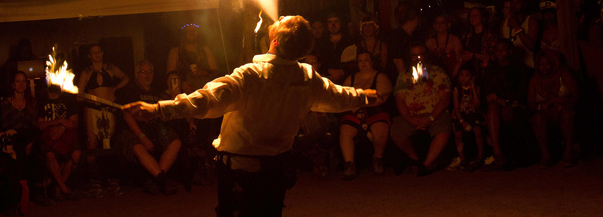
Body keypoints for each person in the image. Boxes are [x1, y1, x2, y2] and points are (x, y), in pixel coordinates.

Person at [124, 15, 376, 217]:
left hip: (240, 174)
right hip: (277, 170)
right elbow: (338, 97)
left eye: (283, 21)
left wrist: (158, 109)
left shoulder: (251, 76)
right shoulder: (307, 77)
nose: (278, 17)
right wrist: (364, 96)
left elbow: (206, 100)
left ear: (275, 40)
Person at [120, 61, 183, 195]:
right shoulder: (130, 91)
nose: (147, 75)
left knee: (175, 142)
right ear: (137, 74)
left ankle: (157, 179)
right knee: (137, 147)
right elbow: (127, 117)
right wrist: (142, 137)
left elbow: (164, 116)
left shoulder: (156, 92)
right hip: (136, 130)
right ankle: (163, 181)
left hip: (155, 128)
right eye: (143, 72)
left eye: (150, 72)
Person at [390, 42, 452, 176]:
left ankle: (427, 164)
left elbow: (445, 98)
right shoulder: (404, 75)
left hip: (435, 113)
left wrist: (430, 118)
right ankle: (415, 159)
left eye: (420, 55)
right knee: (396, 132)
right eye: (414, 56)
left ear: (426, 55)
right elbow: (399, 100)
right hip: (411, 114)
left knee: (443, 130)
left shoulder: (437, 72)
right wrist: (410, 119)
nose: (418, 58)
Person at [76, 44, 129, 197]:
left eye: (99, 51)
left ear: (103, 53)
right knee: (92, 143)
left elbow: (126, 78)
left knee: (109, 142)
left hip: (109, 109)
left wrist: (115, 89)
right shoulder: (86, 72)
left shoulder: (111, 68)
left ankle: (111, 179)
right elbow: (79, 95)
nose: (97, 54)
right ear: (89, 56)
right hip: (92, 110)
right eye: (94, 52)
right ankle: (94, 180)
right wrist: (85, 96)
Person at [339, 51, 392, 179]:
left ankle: (378, 158)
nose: (363, 63)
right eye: (360, 61)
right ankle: (349, 165)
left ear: (372, 62)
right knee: (346, 130)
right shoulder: (350, 79)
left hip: (375, 110)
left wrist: (363, 105)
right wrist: (356, 109)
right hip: (354, 110)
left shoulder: (380, 77)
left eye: (366, 60)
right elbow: (342, 98)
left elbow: (381, 98)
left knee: (379, 129)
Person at [482, 38, 530, 170]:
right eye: (498, 50)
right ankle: (497, 152)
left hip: (514, 104)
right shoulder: (490, 69)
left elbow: (522, 91)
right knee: (493, 108)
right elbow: (487, 91)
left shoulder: (518, 68)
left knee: (508, 112)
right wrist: (496, 99)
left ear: (510, 51)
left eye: (504, 50)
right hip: (496, 105)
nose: (500, 53)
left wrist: (508, 101)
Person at [0, 71, 40, 215]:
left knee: (31, 148)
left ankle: (25, 195)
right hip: (13, 137)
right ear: (13, 84)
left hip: (28, 136)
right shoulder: (5, 103)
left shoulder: (32, 102)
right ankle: (18, 197)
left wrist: (31, 142)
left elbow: (33, 125)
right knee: (15, 150)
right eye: (18, 81)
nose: (21, 84)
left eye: (23, 81)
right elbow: (5, 124)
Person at [528, 51, 578, 167]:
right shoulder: (535, 80)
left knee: (567, 115)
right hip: (546, 113)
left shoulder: (564, 75)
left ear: (553, 64)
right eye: (540, 64)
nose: (543, 67)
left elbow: (576, 95)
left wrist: (554, 101)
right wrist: (542, 107)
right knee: (538, 119)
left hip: (564, 108)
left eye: (547, 64)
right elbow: (531, 103)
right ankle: (545, 155)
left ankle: (568, 152)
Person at [37, 84, 81, 201]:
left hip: (66, 135)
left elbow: (74, 123)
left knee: (76, 154)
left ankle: (57, 186)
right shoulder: (41, 100)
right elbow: (40, 125)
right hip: (48, 136)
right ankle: (64, 189)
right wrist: (53, 123)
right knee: (50, 155)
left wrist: (62, 127)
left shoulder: (68, 99)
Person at [446, 65, 485, 172]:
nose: (464, 78)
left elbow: (477, 105)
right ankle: (462, 159)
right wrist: (462, 121)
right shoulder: (456, 90)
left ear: (472, 77)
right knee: (458, 134)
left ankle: (480, 157)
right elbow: (456, 108)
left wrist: (473, 89)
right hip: (460, 115)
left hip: (472, 114)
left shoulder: (476, 88)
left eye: (467, 76)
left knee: (478, 131)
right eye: (461, 75)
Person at [167, 24, 219, 93]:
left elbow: (216, 73)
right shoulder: (176, 51)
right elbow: (170, 77)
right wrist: (181, 84)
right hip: (185, 94)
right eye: (188, 30)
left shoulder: (205, 50)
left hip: (205, 92)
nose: (191, 33)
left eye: (194, 30)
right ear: (184, 33)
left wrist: (204, 72)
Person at [500, 0, 539, 69]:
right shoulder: (504, 22)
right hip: (509, 69)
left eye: (518, 2)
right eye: (512, 2)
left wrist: (517, 27)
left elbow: (531, 46)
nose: (514, 5)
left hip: (528, 68)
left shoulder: (531, 21)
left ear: (525, 5)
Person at [425, 13, 463, 79]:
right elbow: (425, 62)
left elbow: (459, 61)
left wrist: (451, 77)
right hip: (434, 77)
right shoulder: (429, 42)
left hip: (453, 76)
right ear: (434, 25)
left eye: (443, 22)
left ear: (448, 25)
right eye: (437, 22)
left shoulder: (455, 40)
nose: (440, 24)